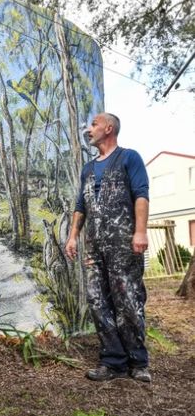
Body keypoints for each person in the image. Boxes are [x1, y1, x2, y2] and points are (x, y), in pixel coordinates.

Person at [65, 113, 151, 383]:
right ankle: (112, 360)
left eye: (93, 125)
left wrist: (140, 231)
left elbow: (141, 194)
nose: (88, 129)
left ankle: (138, 361)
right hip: (94, 246)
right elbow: (81, 206)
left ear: (109, 128)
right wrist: (72, 236)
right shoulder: (88, 168)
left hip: (124, 244)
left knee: (128, 300)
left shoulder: (129, 158)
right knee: (97, 301)